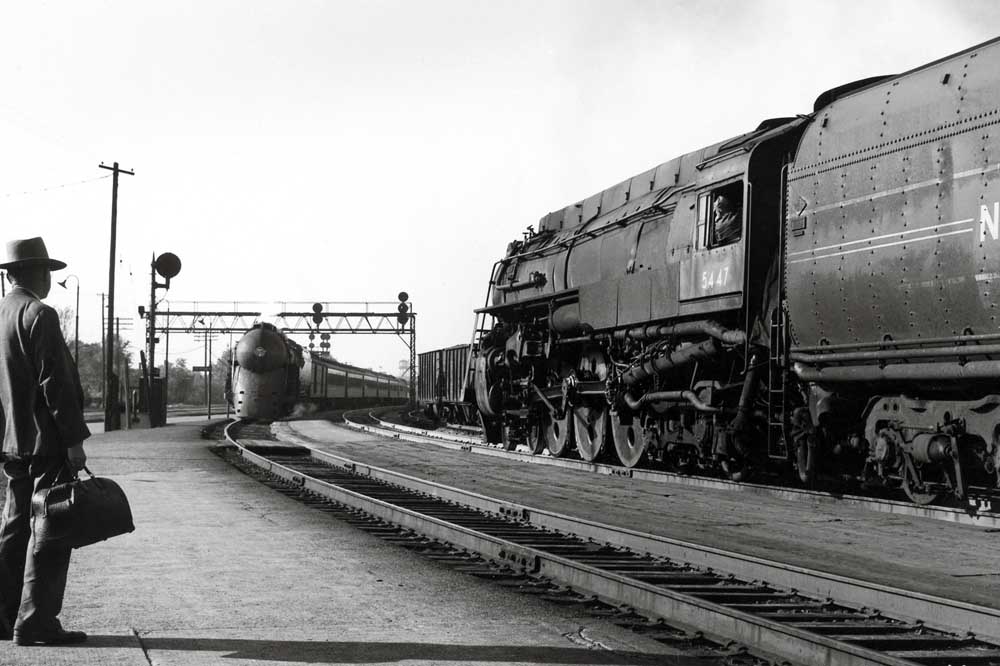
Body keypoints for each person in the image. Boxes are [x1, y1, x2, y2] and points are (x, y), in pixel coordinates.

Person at [0, 237, 89, 646]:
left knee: (13, 529)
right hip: (45, 445)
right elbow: (57, 386)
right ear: (36, 272)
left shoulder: (1, 315)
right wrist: (73, 442)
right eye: (47, 273)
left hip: (10, 445)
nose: (50, 280)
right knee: (51, 530)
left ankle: (3, 619)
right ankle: (36, 621)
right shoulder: (40, 314)